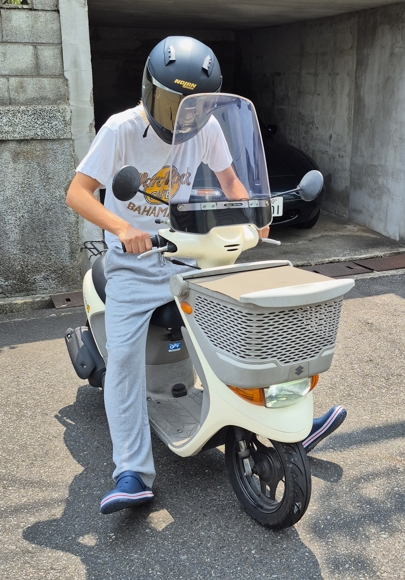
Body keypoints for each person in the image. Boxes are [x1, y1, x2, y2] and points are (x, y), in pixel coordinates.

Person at [66, 36, 347, 515]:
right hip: (133, 262)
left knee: (246, 323)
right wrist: (123, 229)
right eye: (170, 103)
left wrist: (254, 213)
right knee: (125, 360)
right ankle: (131, 470)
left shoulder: (207, 128)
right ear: (149, 90)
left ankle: (285, 417)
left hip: (190, 253)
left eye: (191, 108)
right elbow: (78, 192)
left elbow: (231, 181)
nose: (180, 118)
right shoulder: (121, 129)